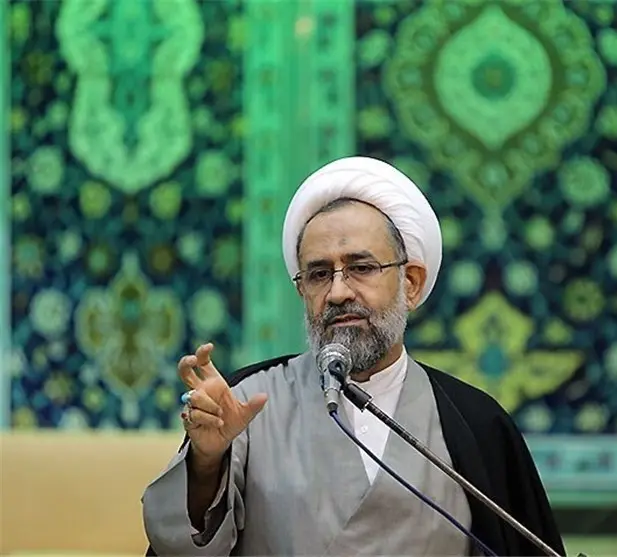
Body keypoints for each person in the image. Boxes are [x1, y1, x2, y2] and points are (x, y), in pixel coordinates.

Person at [142, 156, 566, 556]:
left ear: (411, 283)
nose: (338, 292)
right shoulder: (245, 404)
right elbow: (180, 549)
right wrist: (206, 463)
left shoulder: (475, 424)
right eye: (319, 274)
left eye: (361, 268)